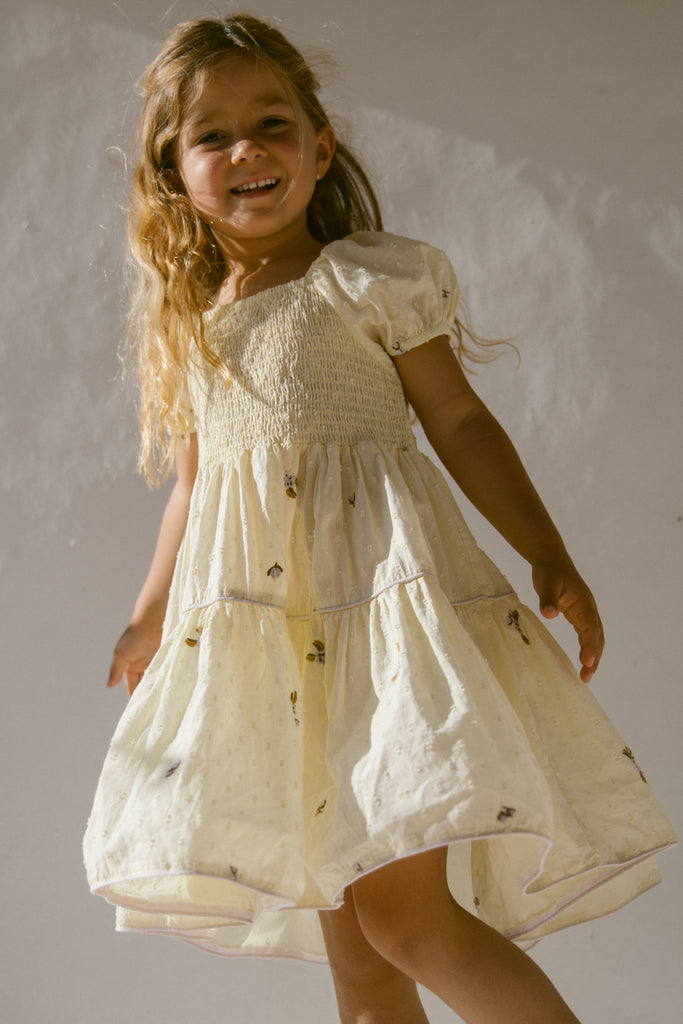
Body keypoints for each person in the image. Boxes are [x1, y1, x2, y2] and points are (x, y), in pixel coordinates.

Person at [83, 13, 675, 1024]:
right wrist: (149, 615)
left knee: (404, 920)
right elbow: (194, 487)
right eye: (212, 136)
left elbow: (458, 419)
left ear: (319, 148)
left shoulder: (361, 280)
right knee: (359, 956)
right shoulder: (196, 330)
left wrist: (545, 549)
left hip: (384, 631)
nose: (247, 149)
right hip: (281, 659)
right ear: (172, 174)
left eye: (271, 124)